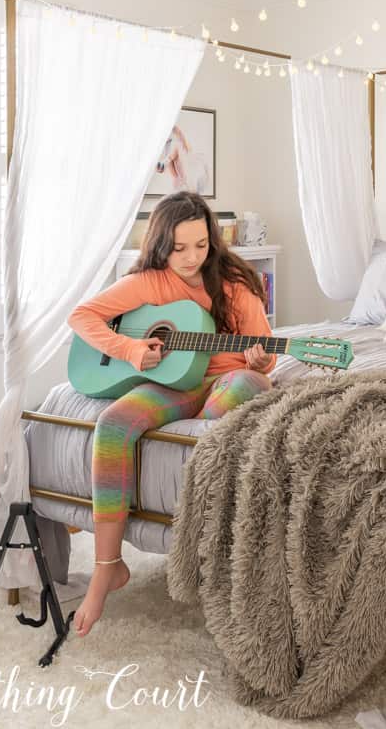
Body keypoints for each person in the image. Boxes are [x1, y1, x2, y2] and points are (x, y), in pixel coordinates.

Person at [66, 191, 276, 637]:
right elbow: (82, 317)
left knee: (234, 395)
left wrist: (259, 362)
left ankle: (204, 545)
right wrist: (130, 349)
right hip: (175, 384)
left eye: (201, 245)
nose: (191, 257)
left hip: (229, 377)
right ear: (162, 243)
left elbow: (266, 356)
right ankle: (108, 566)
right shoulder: (150, 282)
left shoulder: (236, 283)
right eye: (180, 248)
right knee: (112, 425)